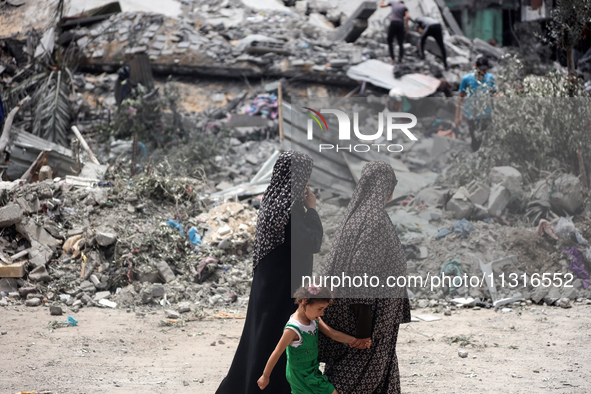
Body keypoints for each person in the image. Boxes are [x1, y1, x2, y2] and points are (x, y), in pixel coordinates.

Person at [216, 151, 323, 394]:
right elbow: (312, 242)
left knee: (258, 342)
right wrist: (313, 209)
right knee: (275, 344)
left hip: (267, 289)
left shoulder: (273, 203)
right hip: (284, 291)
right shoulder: (292, 212)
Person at [318, 161, 411, 394]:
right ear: (386, 187)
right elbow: (361, 272)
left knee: (373, 369)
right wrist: (364, 328)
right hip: (369, 318)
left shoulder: (356, 216)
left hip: (361, 314)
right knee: (359, 375)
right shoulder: (374, 220)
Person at [257, 286, 371, 394]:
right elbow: (277, 352)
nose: (322, 313)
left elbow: (332, 333)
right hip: (300, 376)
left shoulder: (314, 320)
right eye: (320, 309)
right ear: (305, 302)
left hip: (313, 372)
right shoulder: (293, 329)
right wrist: (265, 376)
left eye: (324, 309)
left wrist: (357, 341)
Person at [455, 56, 497, 151]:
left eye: (485, 69)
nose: (483, 72)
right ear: (475, 67)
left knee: (486, 140)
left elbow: (493, 95)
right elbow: (460, 98)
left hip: (486, 115)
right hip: (472, 115)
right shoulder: (466, 79)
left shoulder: (490, 78)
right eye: (481, 69)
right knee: (475, 140)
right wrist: (457, 117)